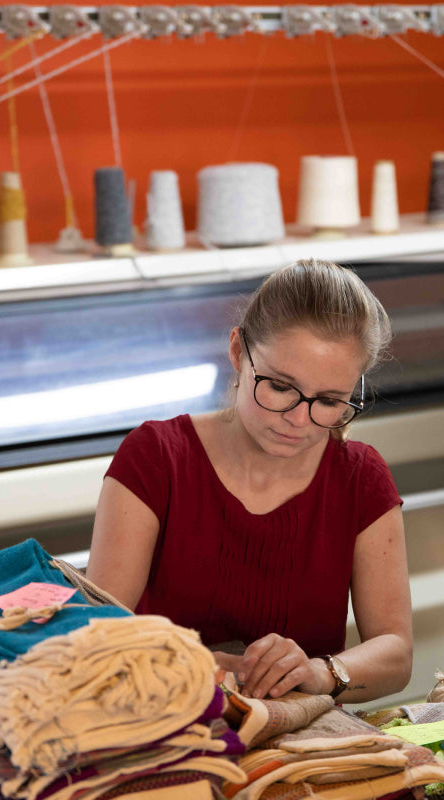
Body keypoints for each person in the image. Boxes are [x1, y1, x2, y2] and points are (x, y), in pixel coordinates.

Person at [86, 258, 412, 704]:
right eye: (279, 387)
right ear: (239, 353)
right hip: (157, 718)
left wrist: (321, 673)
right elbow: (98, 633)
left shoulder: (361, 478)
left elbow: (396, 653)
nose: (298, 420)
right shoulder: (156, 458)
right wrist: (188, 665)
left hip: (295, 742)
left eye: (329, 401)